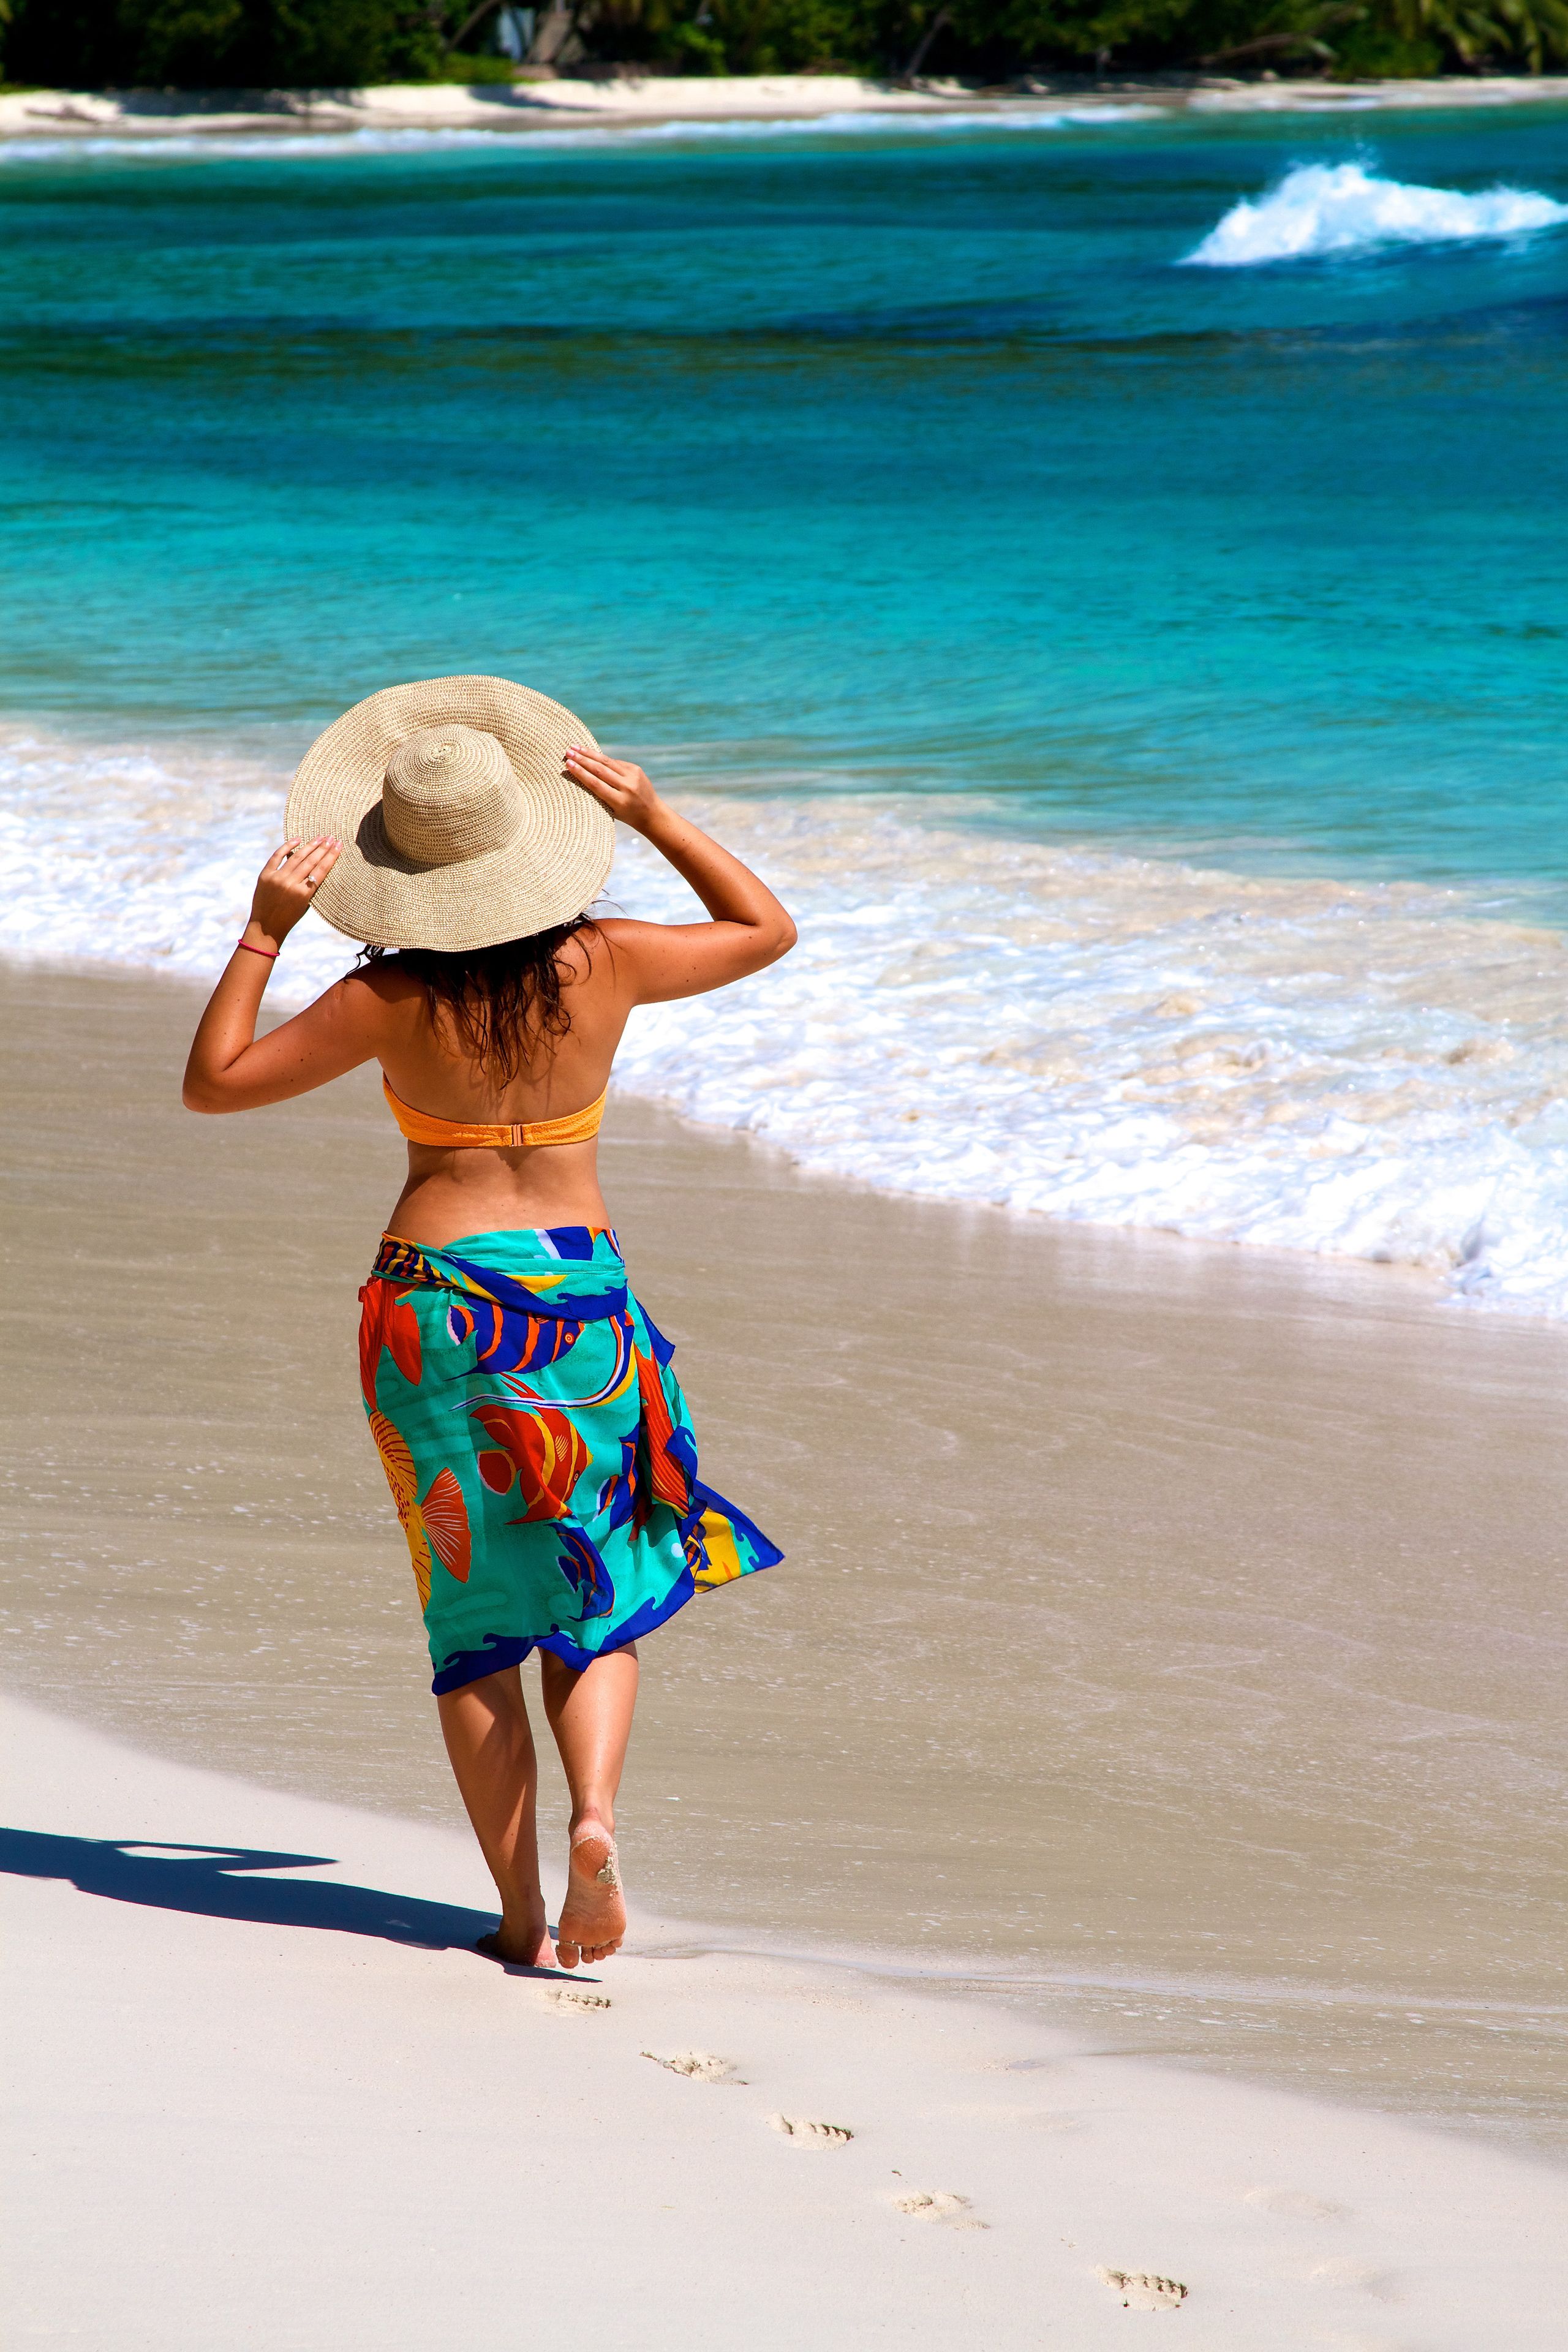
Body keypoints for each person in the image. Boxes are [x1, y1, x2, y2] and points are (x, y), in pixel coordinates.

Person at [183, 676, 794, 1974]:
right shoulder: (608, 959)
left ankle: (521, 1918)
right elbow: (763, 930)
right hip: (580, 1305)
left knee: (474, 1616)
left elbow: (214, 1086)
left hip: (433, 1307)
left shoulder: (388, 998)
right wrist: (661, 817)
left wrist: (263, 930)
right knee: (602, 1586)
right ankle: (597, 1820)